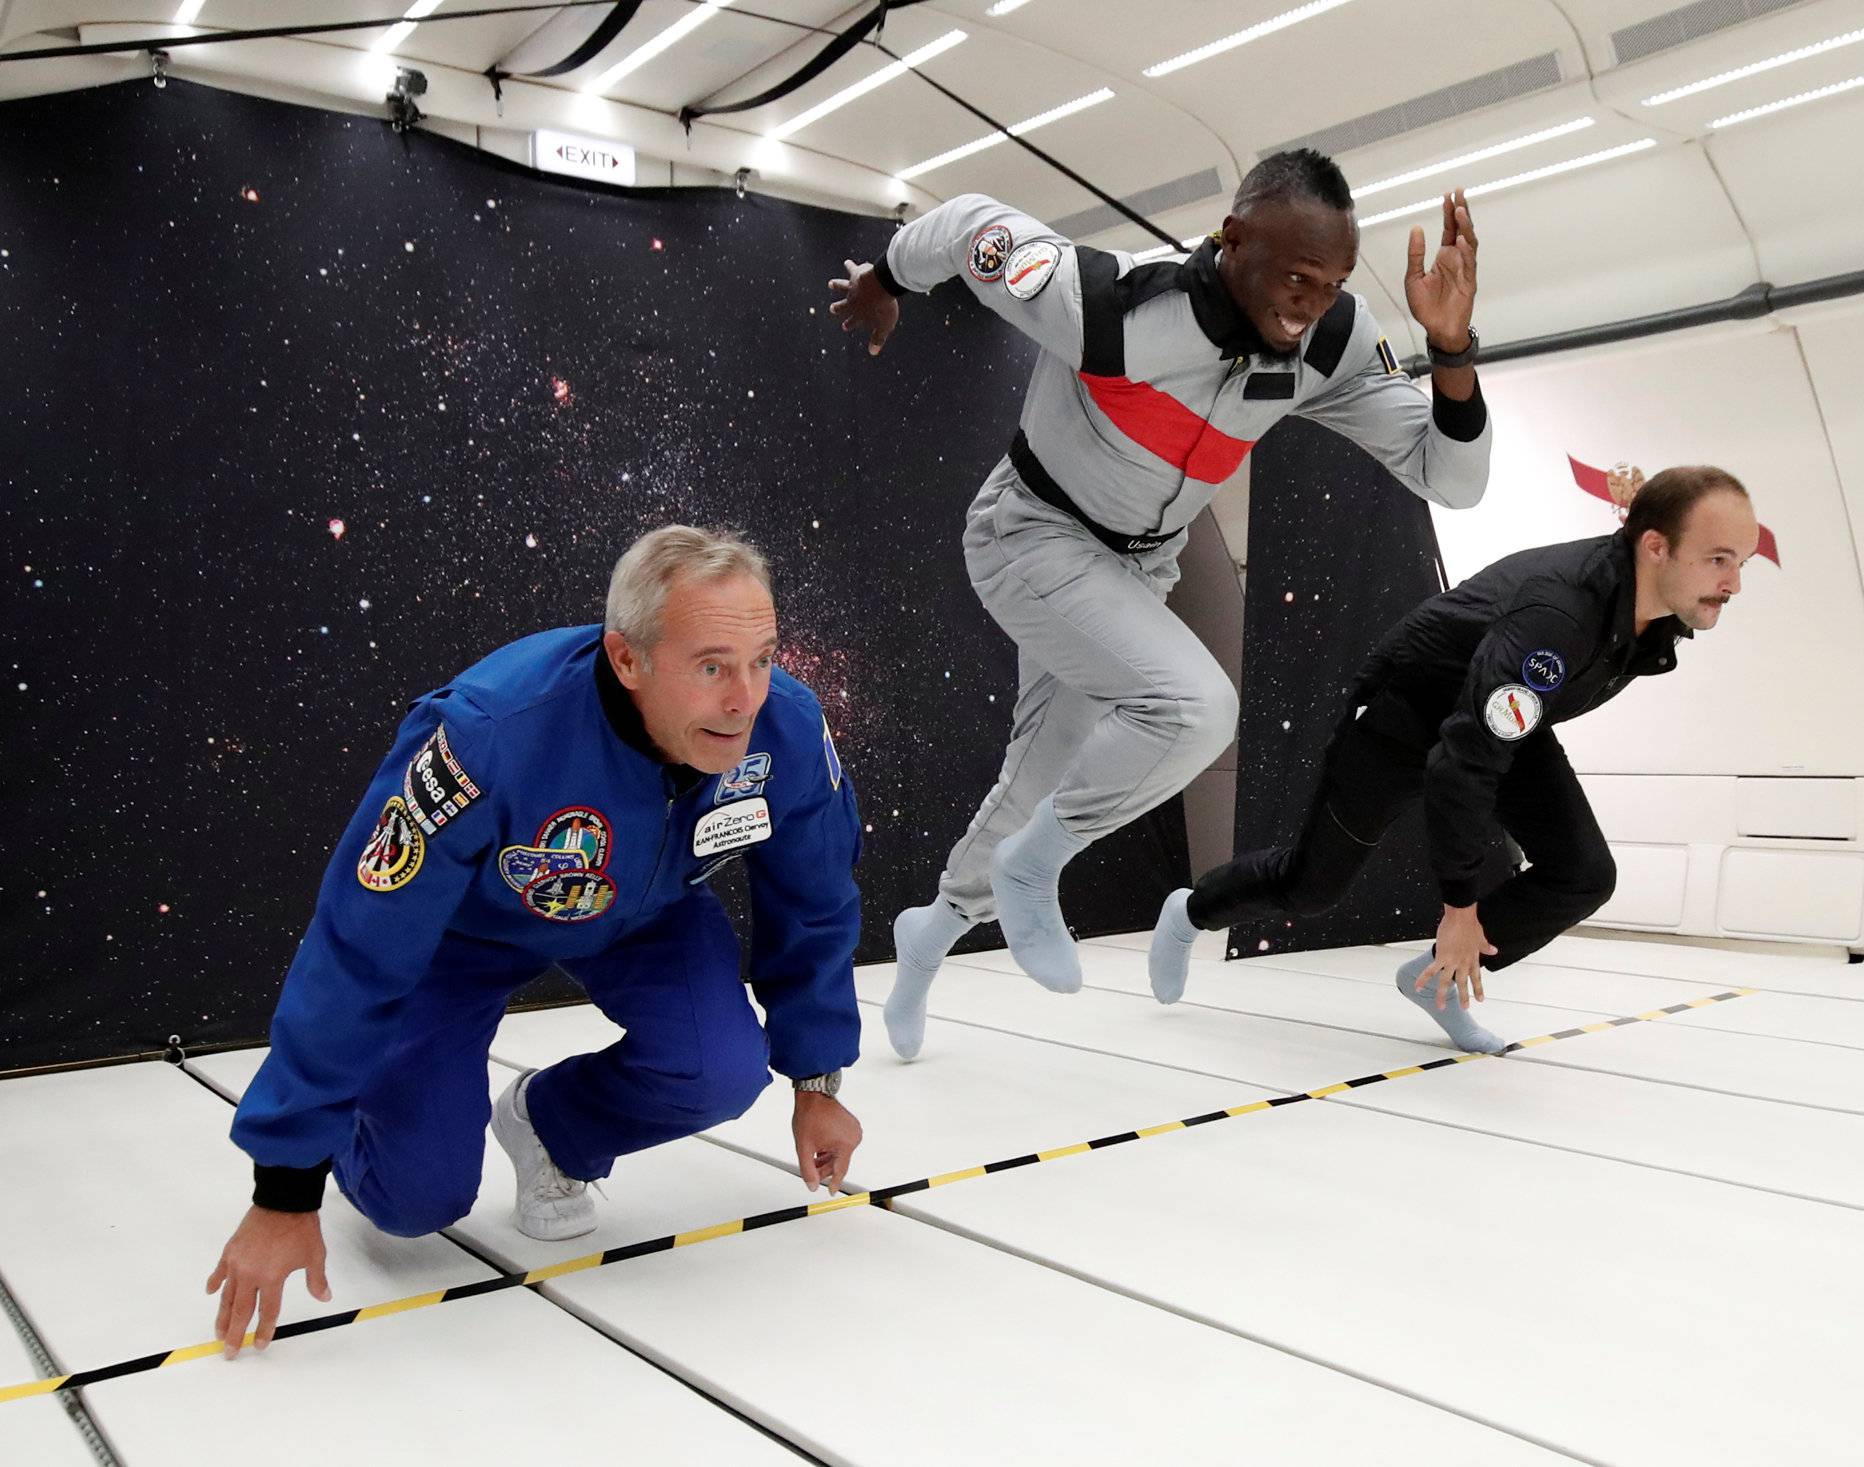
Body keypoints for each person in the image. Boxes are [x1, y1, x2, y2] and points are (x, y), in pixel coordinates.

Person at [830, 149, 1492, 1059]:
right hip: (1030, 535)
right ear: (1232, 242)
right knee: (1196, 705)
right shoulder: (1104, 304)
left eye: (1331, 282)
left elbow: (1450, 477)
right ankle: (1037, 867)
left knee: (1035, 778)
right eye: (1295, 277)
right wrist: (886, 276)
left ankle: (927, 939)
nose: (1310, 305)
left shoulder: (1329, 343)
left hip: (1136, 573)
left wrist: (1452, 350)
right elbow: (968, 220)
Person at [206, 526, 864, 1358]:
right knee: (415, 1204)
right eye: (711, 666)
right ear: (627, 659)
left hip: (648, 913)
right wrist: (285, 1188)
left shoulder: (787, 728)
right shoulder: (484, 736)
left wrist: (816, 1074)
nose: (746, 697)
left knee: (723, 1066)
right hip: (460, 936)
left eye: (762, 658)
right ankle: (359, 1128)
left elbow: (814, 897)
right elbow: (357, 942)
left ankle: (553, 1124)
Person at [1150, 467, 1762, 1052]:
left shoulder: (1650, 612)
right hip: (1400, 721)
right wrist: (1460, 909)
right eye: (1718, 560)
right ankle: (1191, 911)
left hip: (1497, 719)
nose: (1734, 584)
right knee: (1311, 888)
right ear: (1656, 548)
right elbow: (1461, 763)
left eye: (1739, 562)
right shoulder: (1559, 615)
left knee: (1584, 873)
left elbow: (1490, 733)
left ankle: (1436, 982)